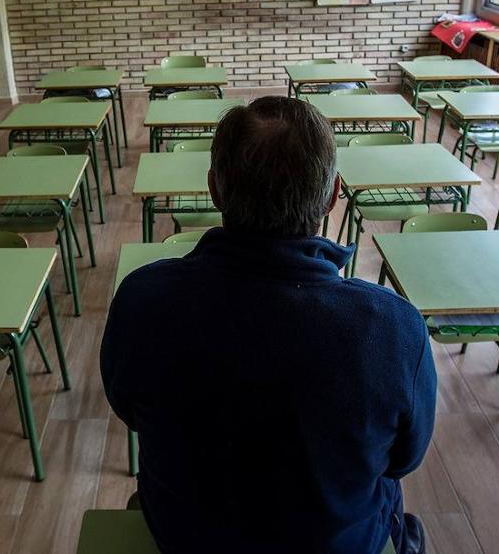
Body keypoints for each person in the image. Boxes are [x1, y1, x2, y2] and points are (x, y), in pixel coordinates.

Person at [101, 96, 436, 554]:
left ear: (214, 190)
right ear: (334, 195)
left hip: (186, 539)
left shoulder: (143, 299)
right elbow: (404, 459)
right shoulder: (394, 327)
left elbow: (127, 409)